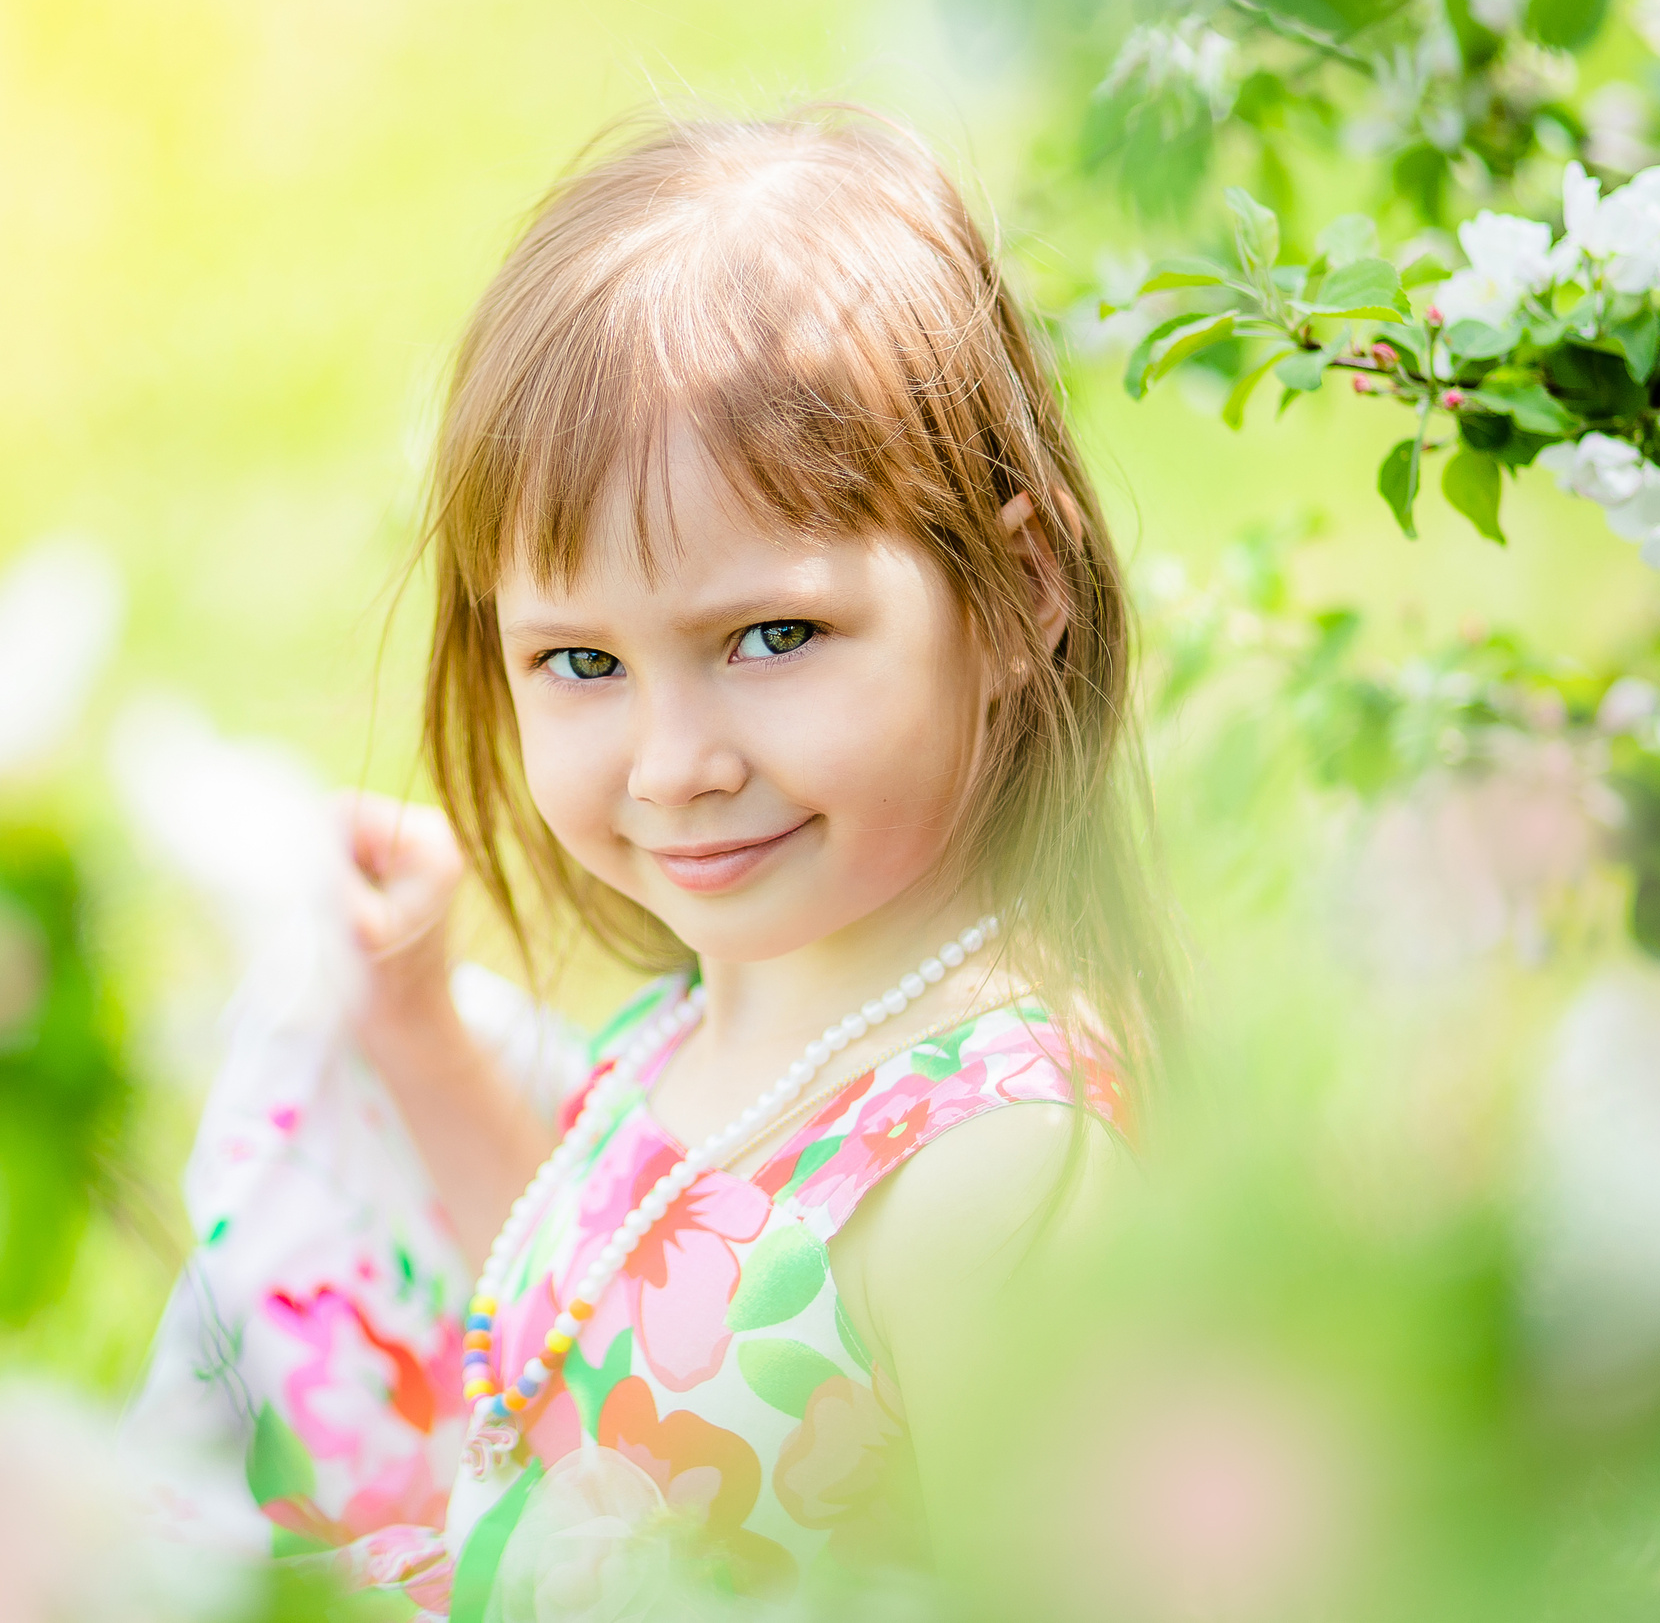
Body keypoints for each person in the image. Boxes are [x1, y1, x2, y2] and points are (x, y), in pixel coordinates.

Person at [134, 106, 1167, 1620]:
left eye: (773, 637)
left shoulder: (986, 1172)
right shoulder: (735, 1005)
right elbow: (604, 1333)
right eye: (580, 661)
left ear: (1014, 594)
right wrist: (416, 1030)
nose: (677, 761)